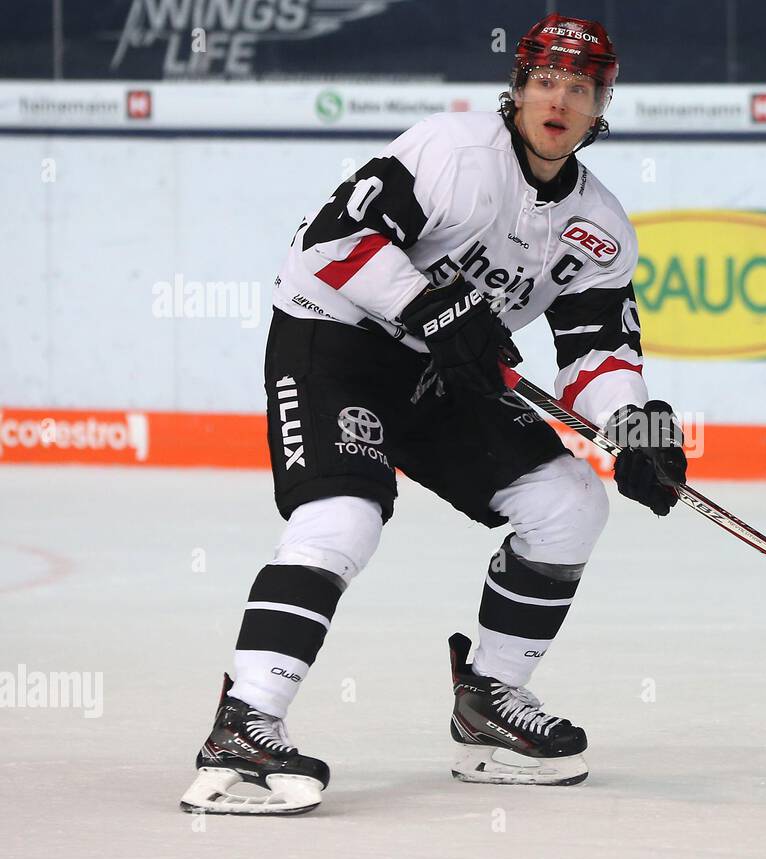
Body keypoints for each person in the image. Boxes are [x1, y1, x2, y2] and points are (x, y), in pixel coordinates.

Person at [180, 14, 687, 815]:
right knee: (345, 516)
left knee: (567, 504)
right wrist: (436, 308)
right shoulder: (454, 154)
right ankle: (245, 722)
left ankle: (489, 701)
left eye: (580, 88)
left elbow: (597, 356)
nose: (559, 99)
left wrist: (635, 428)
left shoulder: (603, 229)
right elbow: (333, 242)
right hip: (336, 336)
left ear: (601, 109)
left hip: (441, 371)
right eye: (546, 80)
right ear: (518, 88)